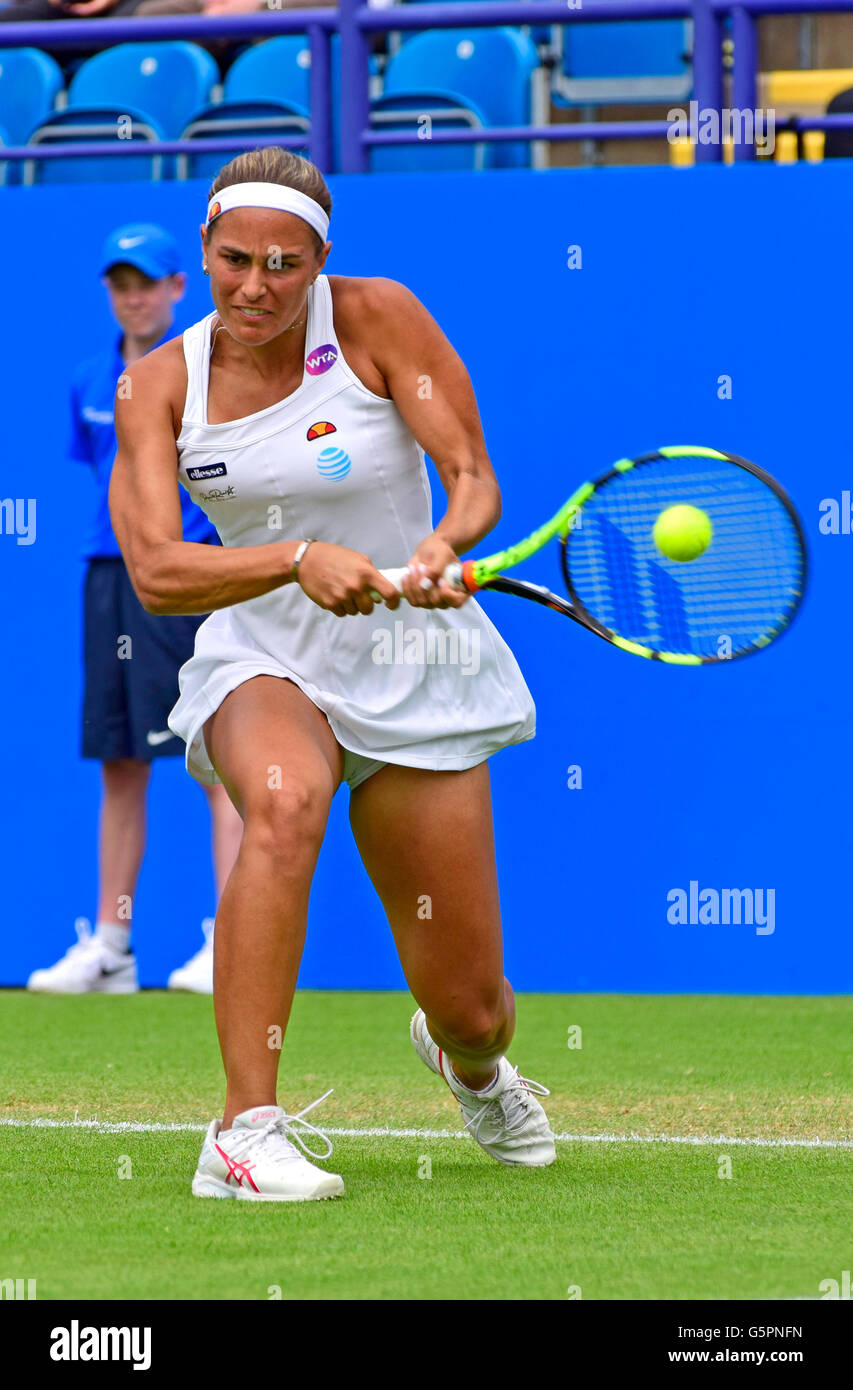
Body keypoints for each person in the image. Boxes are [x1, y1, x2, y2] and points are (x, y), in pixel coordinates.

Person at [109, 148, 555, 1202]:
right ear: (204, 253)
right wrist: (295, 559)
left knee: (475, 1005)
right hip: (261, 654)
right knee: (282, 800)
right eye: (232, 260)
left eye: (282, 262)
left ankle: (468, 1062)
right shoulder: (159, 382)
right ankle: (241, 1131)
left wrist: (446, 544)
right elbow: (159, 572)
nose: (256, 285)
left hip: (412, 661)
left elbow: (472, 475)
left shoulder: (376, 317)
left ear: (319, 260)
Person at [27, 224, 243, 997]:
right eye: (120, 283)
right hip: (108, 578)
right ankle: (113, 948)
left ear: (180, 288)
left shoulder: (207, 373)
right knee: (121, 762)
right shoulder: (89, 378)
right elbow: (102, 473)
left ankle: (233, 940)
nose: (134, 296)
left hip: (186, 579)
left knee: (217, 762)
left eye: (147, 282)